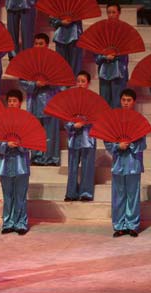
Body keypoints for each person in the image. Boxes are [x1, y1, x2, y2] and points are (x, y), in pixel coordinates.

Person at [104, 89, 146, 238]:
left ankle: (132, 225)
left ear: (134, 102)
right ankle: (119, 225)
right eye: (124, 100)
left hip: (133, 163)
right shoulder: (114, 119)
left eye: (129, 100)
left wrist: (130, 144)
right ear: (120, 101)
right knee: (118, 196)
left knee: (133, 196)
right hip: (118, 164)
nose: (126, 103)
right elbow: (107, 141)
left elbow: (142, 144)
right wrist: (117, 146)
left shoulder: (139, 120)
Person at [20, 33, 61, 166]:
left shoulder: (54, 60)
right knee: (36, 129)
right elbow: (22, 81)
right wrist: (34, 84)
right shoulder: (28, 61)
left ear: (47, 45)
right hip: (34, 99)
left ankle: (51, 157)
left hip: (50, 98)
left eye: (41, 44)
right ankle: (36, 157)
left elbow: (62, 80)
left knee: (51, 130)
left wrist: (48, 82)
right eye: (36, 43)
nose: (38, 46)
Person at [0, 89, 30, 235]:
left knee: (20, 195)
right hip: (5, 162)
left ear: (20, 103)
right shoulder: (1, 121)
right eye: (9, 101)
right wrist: (5, 145)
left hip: (21, 162)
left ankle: (21, 222)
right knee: (7, 195)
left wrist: (20, 145)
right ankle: (7, 222)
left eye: (15, 101)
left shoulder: (26, 120)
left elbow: (31, 140)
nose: (12, 103)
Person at [64, 71, 96, 202]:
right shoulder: (71, 100)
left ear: (88, 83)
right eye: (78, 81)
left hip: (88, 137)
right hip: (74, 136)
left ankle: (86, 192)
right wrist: (73, 125)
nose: (80, 84)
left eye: (83, 81)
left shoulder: (94, 100)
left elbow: (98, 118)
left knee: (87, 167)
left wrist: (86, 123)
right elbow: (65, 117)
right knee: (72, 166)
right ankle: (71, 193)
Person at [95, 3, 128, 109]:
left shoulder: (124, 31)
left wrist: (115, 55)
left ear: (119, 13)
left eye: (113, 12)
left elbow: (127, 51)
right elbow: (96, 55)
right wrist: (105, 57)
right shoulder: (101, 31)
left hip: (119, 70)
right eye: (109, 12)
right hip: (104, 71)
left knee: (118, 101)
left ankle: (116, 124)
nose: (111, 15)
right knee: (104, 102)